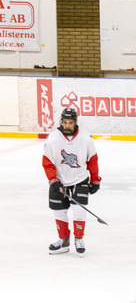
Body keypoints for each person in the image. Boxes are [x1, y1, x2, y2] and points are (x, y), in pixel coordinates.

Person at [43, 107, 101, 255]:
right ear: (61, 122)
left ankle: (79, 239)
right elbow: (47, 162)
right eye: (65, 122)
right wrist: (53, 180)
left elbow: (92, 160)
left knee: (79, 209)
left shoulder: (86, 138)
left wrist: (95, 180)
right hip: (59, 181)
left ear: (75, 122)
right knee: (59, 211)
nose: (67, 126)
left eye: (70, 122)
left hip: (80, 179)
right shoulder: (53, 139)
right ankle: (63, 241)